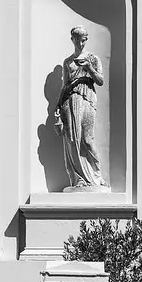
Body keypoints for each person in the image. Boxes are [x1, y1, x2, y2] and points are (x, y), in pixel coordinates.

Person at [54, 26, 108, 190]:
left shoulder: (92, 58)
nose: (82, 42)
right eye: (78, 39)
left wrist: (88, 68)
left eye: (84, 39)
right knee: (72, 140)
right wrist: (58, 104)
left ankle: (96, 176)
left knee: (87, 139)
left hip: (87, 99)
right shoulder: (68, 62)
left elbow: (100, 81)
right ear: (73, 40)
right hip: (69, 101)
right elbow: (65, 86)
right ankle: (79, 179)